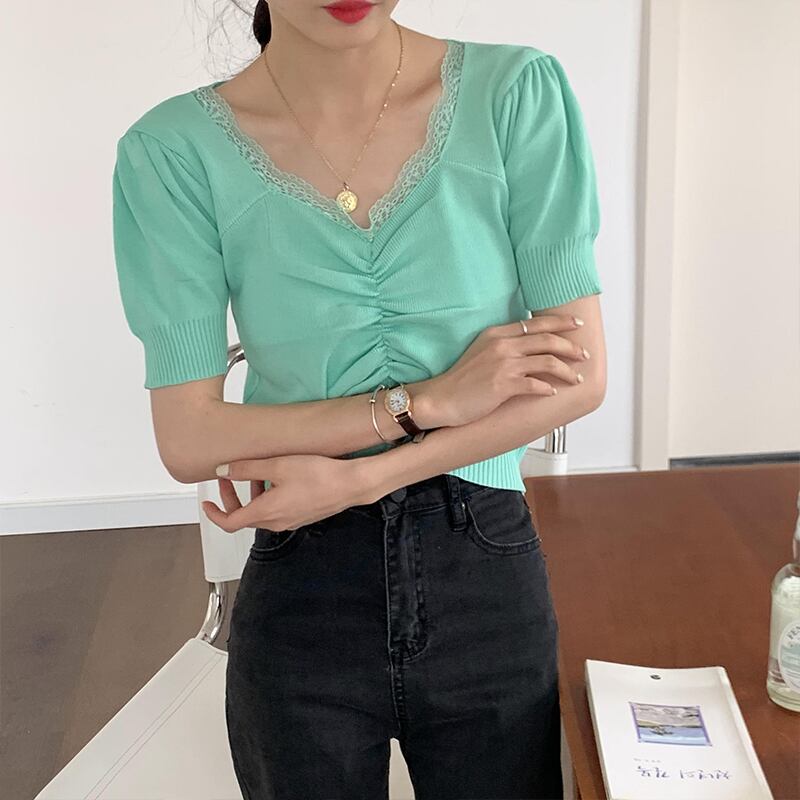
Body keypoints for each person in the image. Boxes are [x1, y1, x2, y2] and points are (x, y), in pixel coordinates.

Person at [111, 1, 607, 797]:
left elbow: (578, 375)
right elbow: (188, 436)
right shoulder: (172, 150)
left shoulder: (514, 92)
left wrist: (363, 476)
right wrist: (426, 402)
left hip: (483, 566)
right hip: (303, 586)